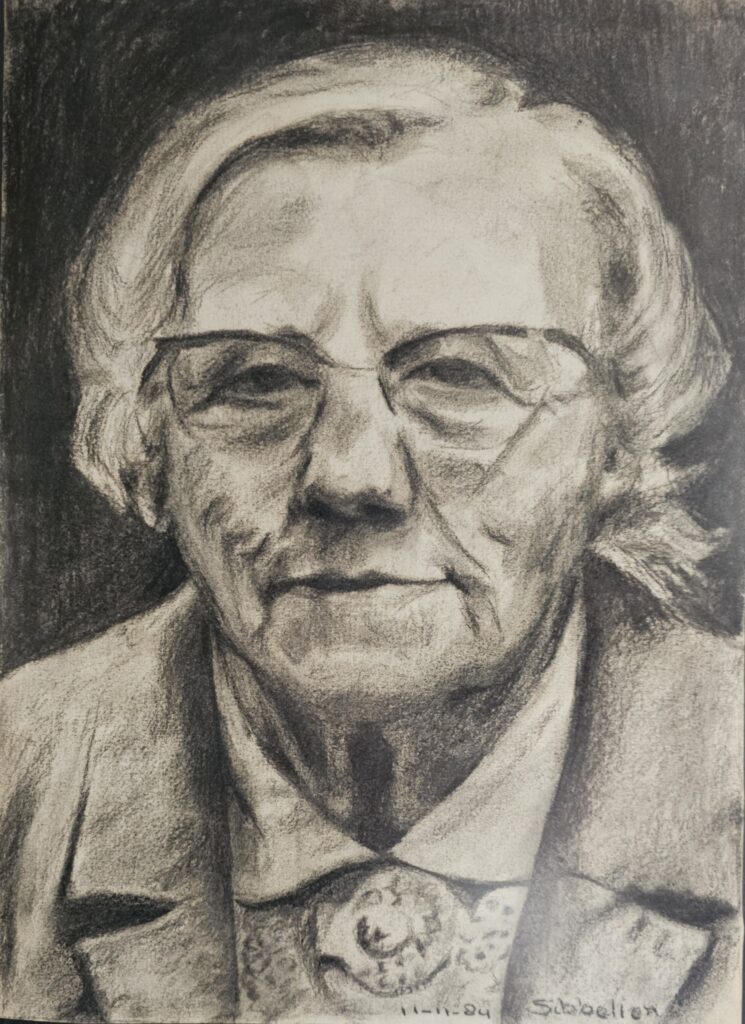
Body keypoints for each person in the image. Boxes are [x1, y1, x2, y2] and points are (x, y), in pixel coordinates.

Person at [0, 41, 741, 1024]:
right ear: (144, 444)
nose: (350, 476)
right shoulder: (22, 778)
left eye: (462, 376)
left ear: (619, 440)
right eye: (256, 381)